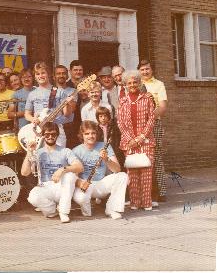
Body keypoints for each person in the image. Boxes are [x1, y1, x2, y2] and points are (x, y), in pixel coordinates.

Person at [21, 122, 83, 223]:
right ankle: (52, 211)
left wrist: (62, 170)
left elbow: (79, 167)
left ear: (57, 135)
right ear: (43, 136)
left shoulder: (65, 151)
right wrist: (29, 152)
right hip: (45, 186)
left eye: (53, 134)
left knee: (70, 175)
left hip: (62, 187)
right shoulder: (38, 152)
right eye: (47, 134)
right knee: (32, 197)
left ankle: (63, 212)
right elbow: (24, 173)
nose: (50, 137)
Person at [72, 121, 128, 220]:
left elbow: (117, 169)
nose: (91, 136)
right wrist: (80, 183)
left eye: (93, 133)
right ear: (82, 135)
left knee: (123, 176)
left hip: (101, 183)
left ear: (97, 134)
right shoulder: (76, 151)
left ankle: (112, 209)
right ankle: (86, 208)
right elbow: (72, 176)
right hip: (85, 185)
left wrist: (106, 159)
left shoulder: (105, 146)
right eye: (87, 134)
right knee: (81, 200)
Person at [117, 70, 156, 211]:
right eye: (129, 83)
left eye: (135, 82)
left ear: (140, 83)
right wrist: (130, 139)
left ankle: (146, 202)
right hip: (129, 142)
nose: (132, 85)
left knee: (146, 172)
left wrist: (140, 138)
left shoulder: (147, 99)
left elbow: (151, 120)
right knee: (132, 173)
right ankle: (135, 202)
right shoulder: (122, 101)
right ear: (125, 85)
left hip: (145, 141)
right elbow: (120, 122)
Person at [138, 59, 168, 204]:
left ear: (152, 70)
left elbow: (162, 107)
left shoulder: (159, 84)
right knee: (140, 157)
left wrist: (149, 118)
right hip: (139, 126)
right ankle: (145, 192)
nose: (145, 71)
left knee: (156, 156)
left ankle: (161, 191)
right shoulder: (135, 84)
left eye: (147, 69)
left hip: (154, 124)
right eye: (142, 69)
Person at [24, 62, 75, 147]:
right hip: (39, 130)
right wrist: (33, 119)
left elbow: (67, 114)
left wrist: (69, 104)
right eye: (38, 74)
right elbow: (27, 114)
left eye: (43, 73)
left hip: (56, 128)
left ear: (48, 74)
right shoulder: (32, 94)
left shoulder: (59, 91)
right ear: (35, 77)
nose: (40, 76)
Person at [65, 60, 84, 148]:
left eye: (80, 70)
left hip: (83, 120)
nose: (78, 72)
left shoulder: (87, 84)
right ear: (70, 71)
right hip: (70, 123)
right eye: (75, 70)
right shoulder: (66, 86)